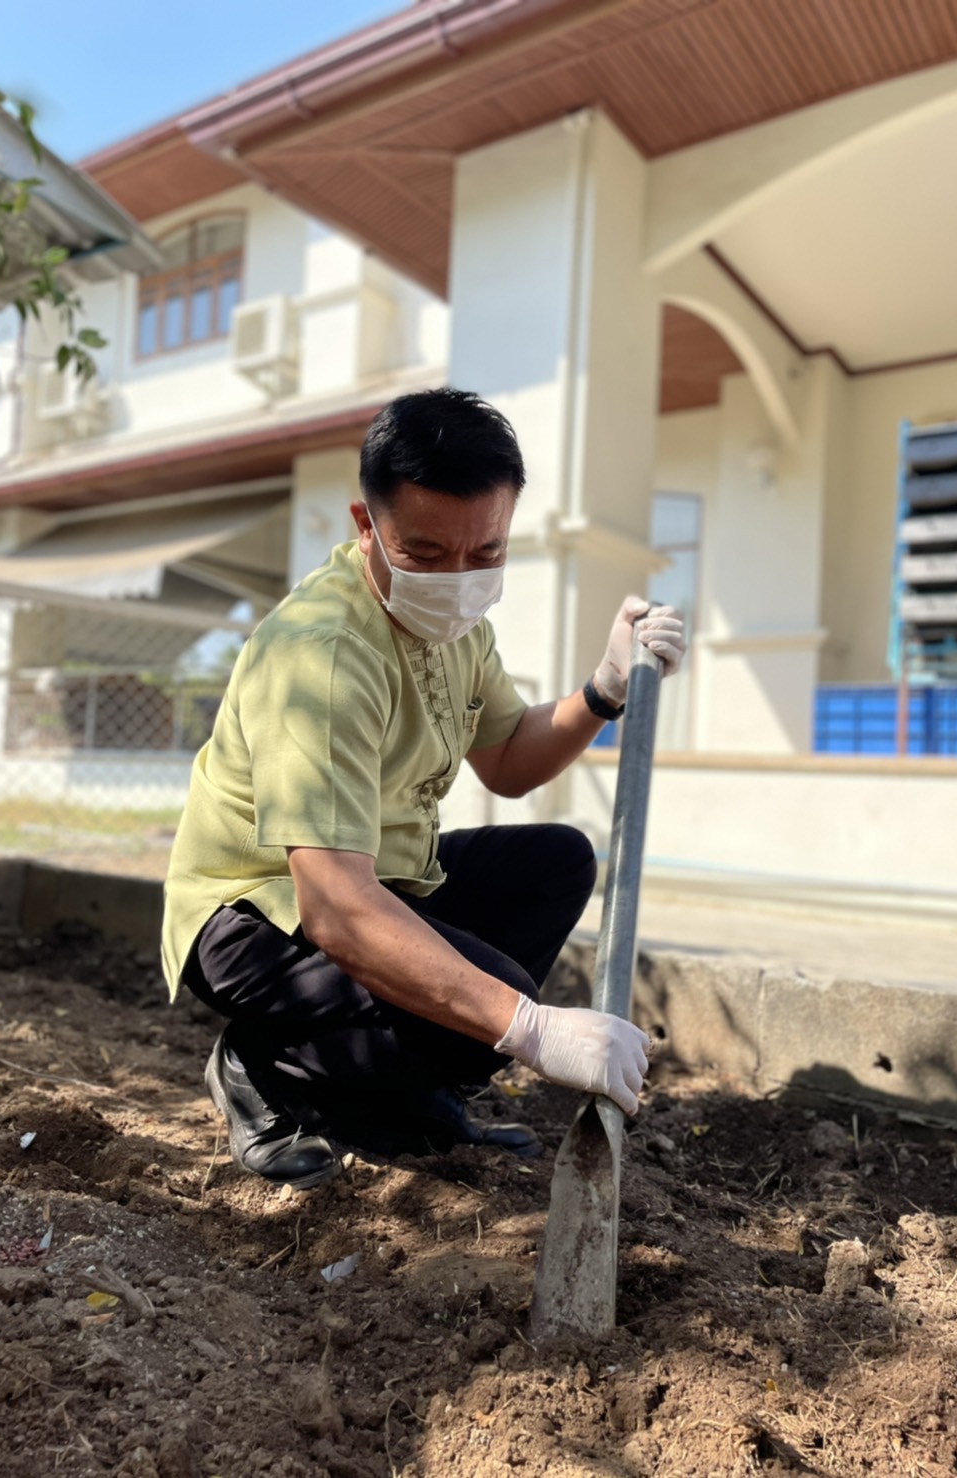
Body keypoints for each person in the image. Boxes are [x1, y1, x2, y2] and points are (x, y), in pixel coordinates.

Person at [162, 388, 685, 1189]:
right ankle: (269, 1065)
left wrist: (605, 687)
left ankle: (407, 1094)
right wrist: (528, 1027)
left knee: (556, 862)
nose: (460, 578)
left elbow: (509, 759)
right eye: (428, 553)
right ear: (365, 526)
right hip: (255, 911)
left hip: (381, 880)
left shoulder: (460, 627)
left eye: (487, 553)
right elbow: (335, 904)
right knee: (490, 1009)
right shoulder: (324, 656)